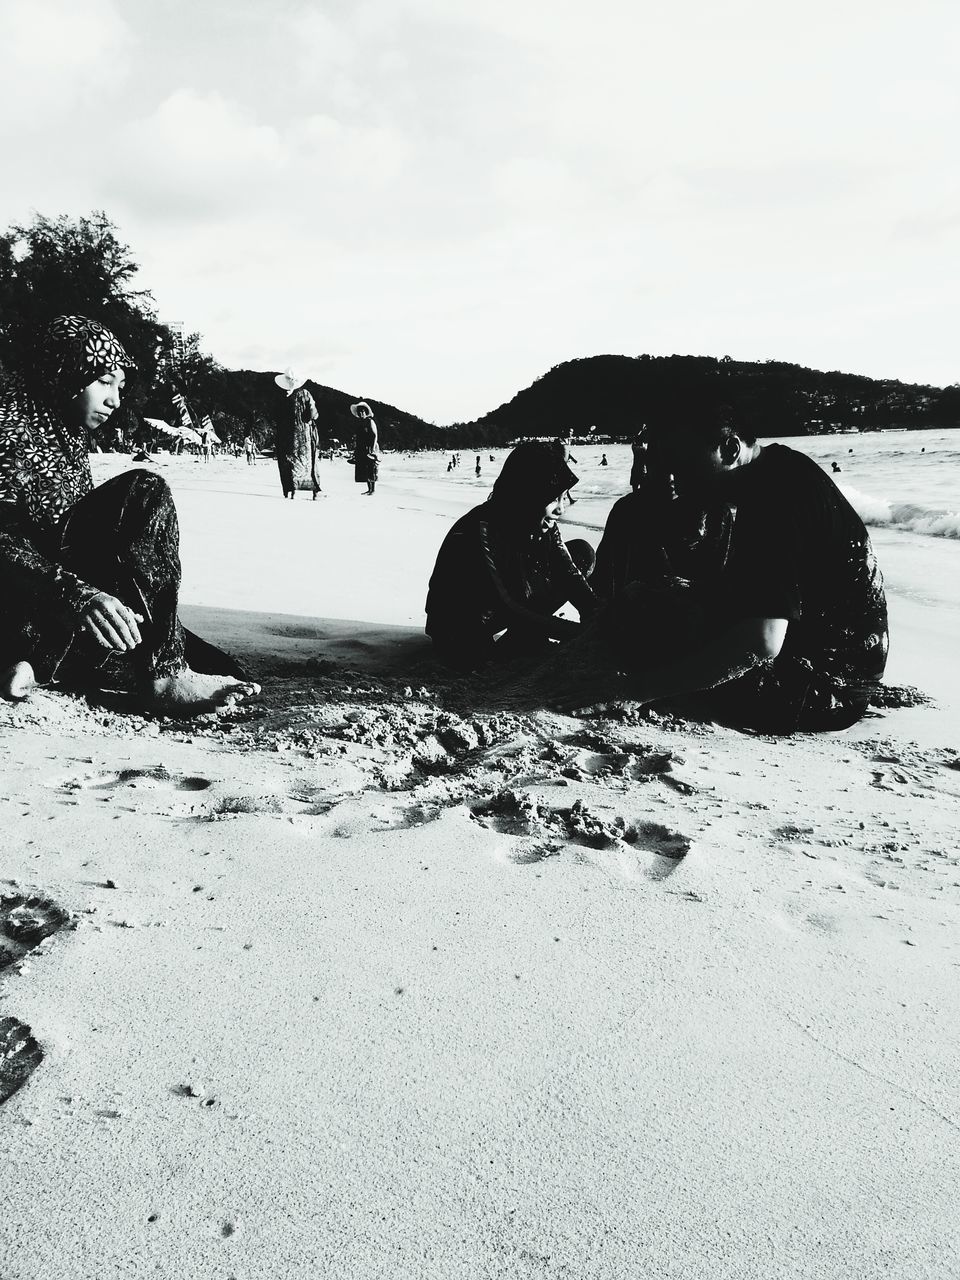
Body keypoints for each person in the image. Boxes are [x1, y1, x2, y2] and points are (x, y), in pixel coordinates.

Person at [562, 389, 888, 733]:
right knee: (651, 599)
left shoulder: (774, 502)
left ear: (731, 449)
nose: (674, 481)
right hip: (841, 665)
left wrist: (635, 691)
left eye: (683, 465)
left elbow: (761, 643)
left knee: (641, 621)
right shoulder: (779, 467)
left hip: (823, 690)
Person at [0, 315, 259, 713]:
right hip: (21, 600)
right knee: (143, 490)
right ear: (64, 372)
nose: (114, 400)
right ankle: (161, 677)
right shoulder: (10, 428)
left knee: (221, 665)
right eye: (104, 381)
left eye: (120, 386)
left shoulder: (64, 436)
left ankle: (40, 664)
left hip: (47, 613)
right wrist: (78, 594)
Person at [425, 441, 598, 670]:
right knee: (474, 656)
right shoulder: (481, 529)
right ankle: (520, 637)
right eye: (554, 498)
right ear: (530, 493)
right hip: (461, 622)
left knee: (581, 553)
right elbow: (509, 604)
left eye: (564, 497)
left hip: (508, 604)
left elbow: (568, 572)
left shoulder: (539, 523)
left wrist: (595, 615)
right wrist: (576, 633)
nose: (561, 509)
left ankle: (524, 635)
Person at [274, 369, 322, 499]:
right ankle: (314, 492)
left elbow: (278, 417)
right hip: (304, 433)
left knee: (289, 461)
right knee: (309, 461)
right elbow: (312, 414)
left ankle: (291, 490)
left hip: (286, 435)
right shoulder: (305, 393)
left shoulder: (282, 396)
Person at [351, 401, 380, 496]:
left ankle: (373, 490)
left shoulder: (370, 421)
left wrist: (372, 449)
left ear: (366, 412)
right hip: (362, 448)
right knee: (365, 469)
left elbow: (374, 435)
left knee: (371, 468)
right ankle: (369, 489)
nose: (360, 413)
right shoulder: (360, 423)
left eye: (362, 411)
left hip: (369, 447)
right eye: (359, 412)